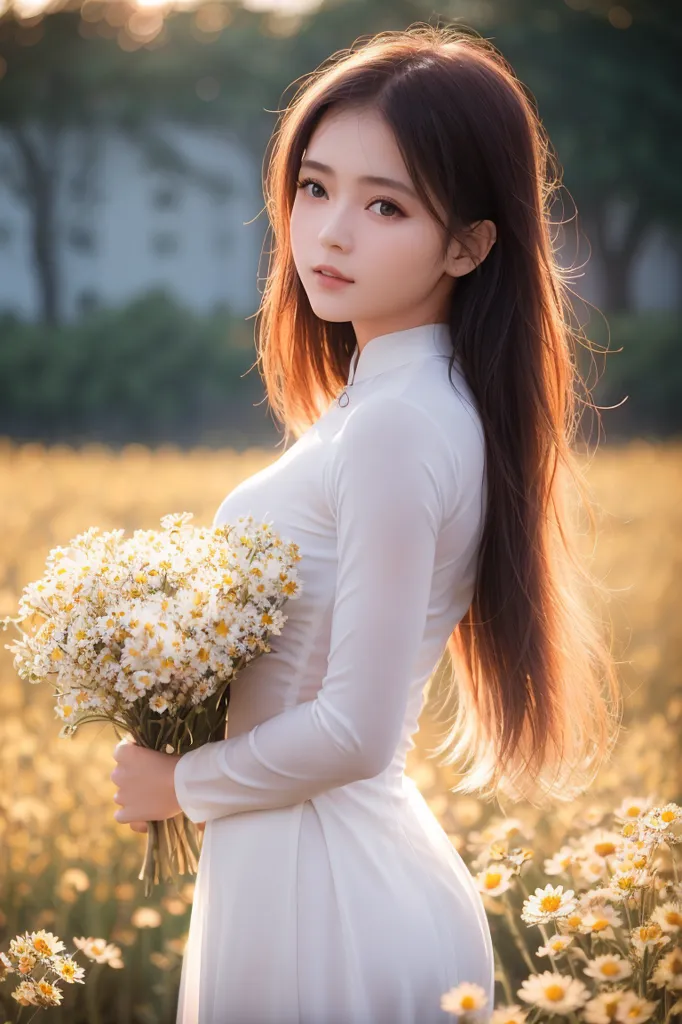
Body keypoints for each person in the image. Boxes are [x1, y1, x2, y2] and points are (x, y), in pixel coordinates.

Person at [111, 22, 622, 1024]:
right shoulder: (391, 404)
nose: (330, 231)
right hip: (305, 868)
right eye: (314, 186)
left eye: (383, 204)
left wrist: (182, 781)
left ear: (471, 243)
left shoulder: (394, 421)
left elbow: (355, 729)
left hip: (329, 892)